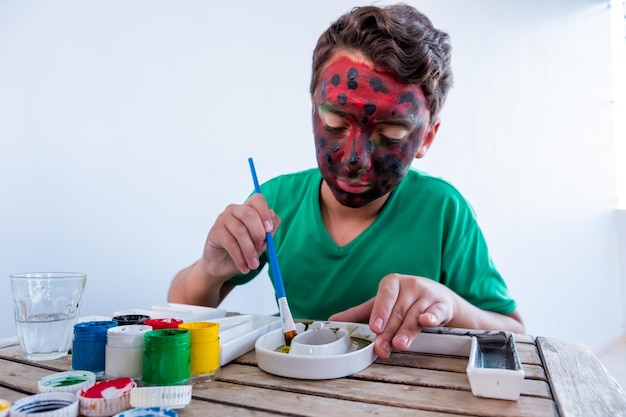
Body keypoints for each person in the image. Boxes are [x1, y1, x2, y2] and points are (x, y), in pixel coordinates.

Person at [168, 3, 524, 359]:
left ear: (427, 137)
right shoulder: (276, 202)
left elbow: (514, 332)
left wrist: (451, 304)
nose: (355, 159)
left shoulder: (444, 211)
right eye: (336, 123)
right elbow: (181, 306)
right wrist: (210, 270)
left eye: (391, 132)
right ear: (312, 110)